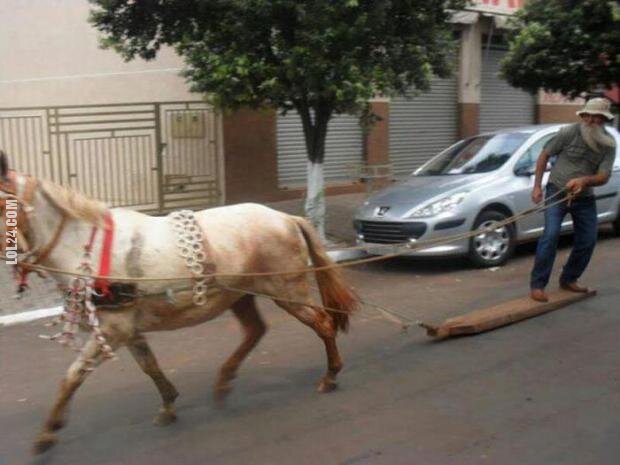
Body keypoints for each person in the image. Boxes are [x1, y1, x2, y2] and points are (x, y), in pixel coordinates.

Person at [530, 97, 617, 302]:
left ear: (604, 119)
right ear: (583, 116)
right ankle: (538, 285)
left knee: (588, 240)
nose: (592, 120)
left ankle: (569, 278)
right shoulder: (568, 132)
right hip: (557, 192)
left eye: (597, 117)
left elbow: (603, 177)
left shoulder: (608, 144)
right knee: (550, 236)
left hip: (584, 198)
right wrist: (536, 187)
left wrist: (584, 180)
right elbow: (544, 155)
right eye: (588, 116)